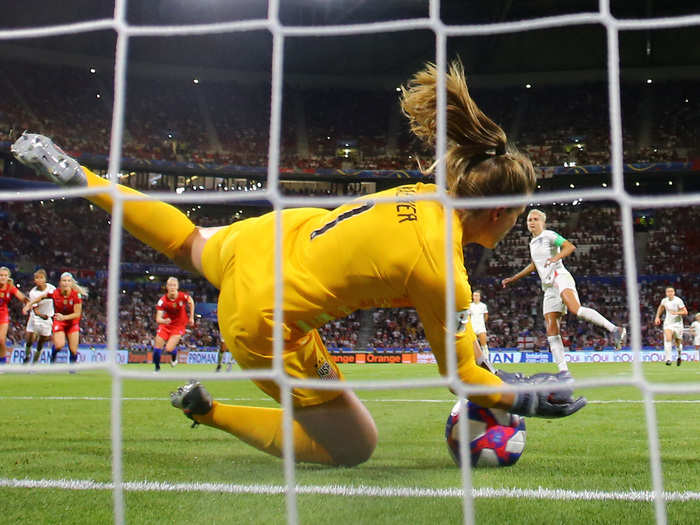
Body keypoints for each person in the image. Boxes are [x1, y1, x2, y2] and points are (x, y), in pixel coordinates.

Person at [12, 60, 586, 468]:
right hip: (266, 314)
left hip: (269, 239)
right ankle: (211, 412)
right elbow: (460, 377)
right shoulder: (445, 272)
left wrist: (501, 382)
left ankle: (85, 179)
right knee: (351, 446)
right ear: (504, 211)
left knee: (186, 241)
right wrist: (525, 398)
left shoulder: (423, 193)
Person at [502, 209, 626, 372]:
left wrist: (555, 258)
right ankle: (564, 372)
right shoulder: (532, 242)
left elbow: (569, 247)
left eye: (535, 219)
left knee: (576, 310)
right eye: (529, 220)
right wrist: (513, 279)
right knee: (551, 329)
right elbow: (534, 265)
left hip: (560, 277)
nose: (531, 222)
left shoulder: (549, 235)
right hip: (548, 288)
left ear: (543, 222)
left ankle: (615, 329)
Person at [24, 272, 85, 367]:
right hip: (59, 322)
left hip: (72, 323)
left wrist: (64, 317)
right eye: (64, 281)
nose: (66, 283)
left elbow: (77, 313)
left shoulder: (76, 295)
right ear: (60, 282)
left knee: (73, 350)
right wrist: (29, 304)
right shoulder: (55, 293)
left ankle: (72, 368)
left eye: (68, 281)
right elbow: (42, 297)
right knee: (59, 345)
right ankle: (53, 356)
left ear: (71, 283)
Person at [153, 277, 195, 372]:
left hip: (178, 326)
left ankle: (174, 357)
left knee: (168, 349)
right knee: (156, 350)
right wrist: (164, 321)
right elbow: (158, 319)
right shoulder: (162, 301)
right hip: (165, 325)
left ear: (177, 287)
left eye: (174, 285)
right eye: (170, 285)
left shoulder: (182, 296)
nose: (172, 287)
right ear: (167, 287)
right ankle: (157, 368)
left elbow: (191, 301)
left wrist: (191, 317)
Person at [23, 269, 56, 365]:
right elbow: (35, 310)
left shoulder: (52, 289)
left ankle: (35, 363)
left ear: (45, 279)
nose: (39, 280)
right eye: (37, 278)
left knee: (41, 343)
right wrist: (42, 315)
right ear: (34, 280)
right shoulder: (33, 293)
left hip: (47, 319)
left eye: (41, 277)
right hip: (35, 318)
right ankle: (27, 356)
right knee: (30, 340)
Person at [0, 266, 29, 364]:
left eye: (5, 275)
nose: (3, 277)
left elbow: (22, 298)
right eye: (1, 275)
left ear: (8, 277)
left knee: (1, 340)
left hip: (3, 315)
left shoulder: (10, 288)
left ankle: (2, 362)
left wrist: (29, 304)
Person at [654, 287, 687, 366]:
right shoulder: (664, 300)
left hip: (678, 324)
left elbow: (685, 312)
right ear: (666, 293)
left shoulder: (678, 301)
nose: (670, 293)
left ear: (674, 292)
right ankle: (668, 359)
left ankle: (679, 356)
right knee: (668, 339)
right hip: (668, 323)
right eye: (668, 291)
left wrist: (676, 313)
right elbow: (661, 307)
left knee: (678, 342)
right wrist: (657, 317)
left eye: (671, 291)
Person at [468, 290, 489, 362]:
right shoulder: (470, 305)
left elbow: (486, 315)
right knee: (472, 345)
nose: (475, 297)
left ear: (480, 297)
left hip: (481, 327)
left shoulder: (483, 306)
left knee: (484, 345)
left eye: (477, 296)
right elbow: (468, 316)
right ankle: (472, 360)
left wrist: (482, 323)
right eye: (474, 295)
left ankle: (486, 360)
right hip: (473, 327)